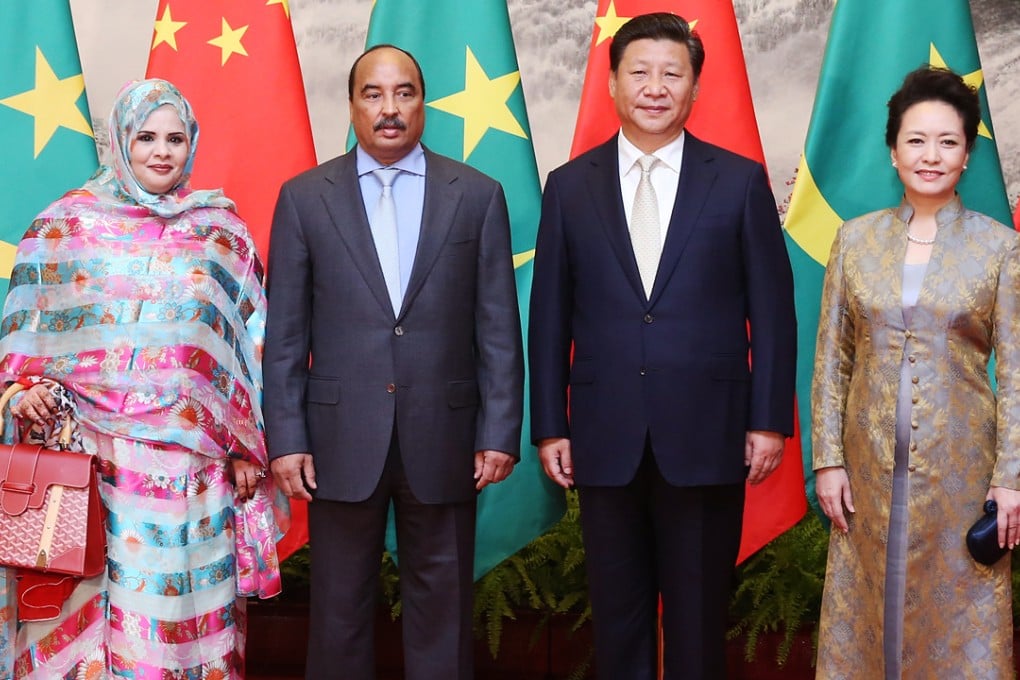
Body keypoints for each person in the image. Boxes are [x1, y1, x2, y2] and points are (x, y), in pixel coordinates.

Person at [528, 12, 797, 680]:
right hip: (603, 432)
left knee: (699, 618)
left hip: (709, 433)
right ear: (613, 84)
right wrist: (549, 425)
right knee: (616, 616)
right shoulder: (569, 186)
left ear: (695, 87)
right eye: (639, 72)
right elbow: (548, 315)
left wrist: (767, 421)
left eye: (671, 73)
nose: (655, 87)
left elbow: (773, 310)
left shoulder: (737, 182)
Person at [0, 78, 284, 678]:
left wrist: (243, 444)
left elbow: (250, 352)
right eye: (147, 137)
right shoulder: (64, 228)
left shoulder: (221, 236)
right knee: (80, 625)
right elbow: (23, 345)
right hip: (86, 470)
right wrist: (21, 393)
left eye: (176, 138)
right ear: (120, 141)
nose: (162, 151)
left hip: (190, 474)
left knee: (176, 627)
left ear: (193, 144)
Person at [263, 44, 524, 680]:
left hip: (445, 433)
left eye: (403, 93)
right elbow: (287, 334)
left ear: (422, 103)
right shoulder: (303, 198)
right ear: (352, 105)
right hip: (338, 438)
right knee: (338, 612)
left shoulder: (477, 196)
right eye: (373, 95)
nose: (389, 109)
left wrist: (498, 432)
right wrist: (288, 438)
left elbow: (497, 326)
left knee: (444, 610)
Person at [812, 66, 1020, 678]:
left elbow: (1016, 371)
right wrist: (828, 460)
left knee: (962, 614)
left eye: (948, 142)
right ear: (893, 149)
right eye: (916, 140)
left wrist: (1011, 478)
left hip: (962, 471)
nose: (931, 156)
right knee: (867, 612)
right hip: (867, 473)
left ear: (967, 155)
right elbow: (832, 358)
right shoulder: (854, 241)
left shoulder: (1000, 248)